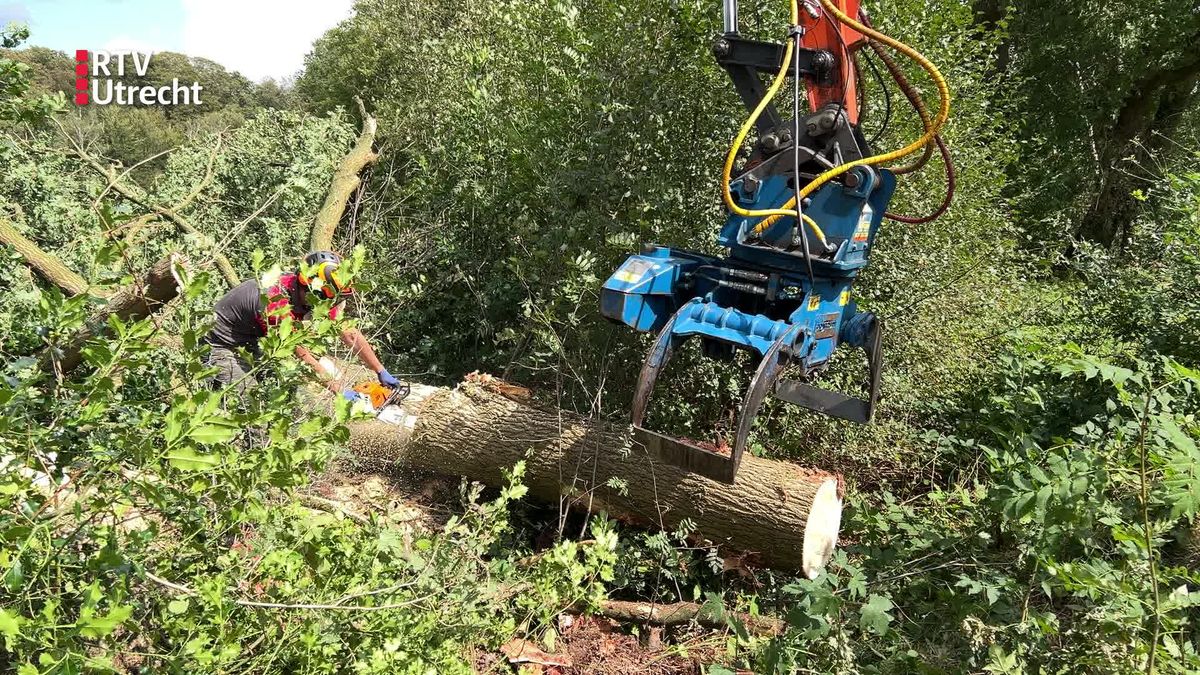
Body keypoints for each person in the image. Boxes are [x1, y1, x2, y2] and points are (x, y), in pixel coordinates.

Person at [202, 250, 400, 402]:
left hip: (253, 343)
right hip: (220, 347)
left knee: (290, 394)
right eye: (323, 297)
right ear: (306, 284)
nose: (325, 304)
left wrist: (380, 370)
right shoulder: (274, 301)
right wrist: (339, 390)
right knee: (252, 406)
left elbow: (349, 333)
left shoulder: (319, 297)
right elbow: (299, 352)